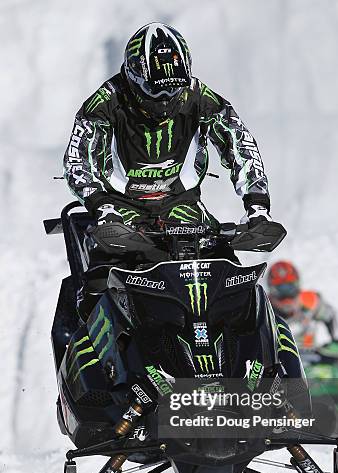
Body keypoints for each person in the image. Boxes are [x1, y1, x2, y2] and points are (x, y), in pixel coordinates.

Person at [63, 22, 274, 315]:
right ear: (134, 76)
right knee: (95, 293)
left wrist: (257, 207)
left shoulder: (200, 96)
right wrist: (101, 207)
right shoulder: (105, 101)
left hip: (182, 205)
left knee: (234, 284)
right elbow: (77, 161)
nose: (165, 98)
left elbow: (239, 142)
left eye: (174, 88)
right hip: (120, 210)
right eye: (155, 89)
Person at [267, 260, 336, 350]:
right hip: (277, 361)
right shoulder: (263, 310)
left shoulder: (311, 300)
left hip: (311, 358)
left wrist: (333, 340)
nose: (287, 297)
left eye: (290, 287)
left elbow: (330, 315)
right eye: (280, 289)